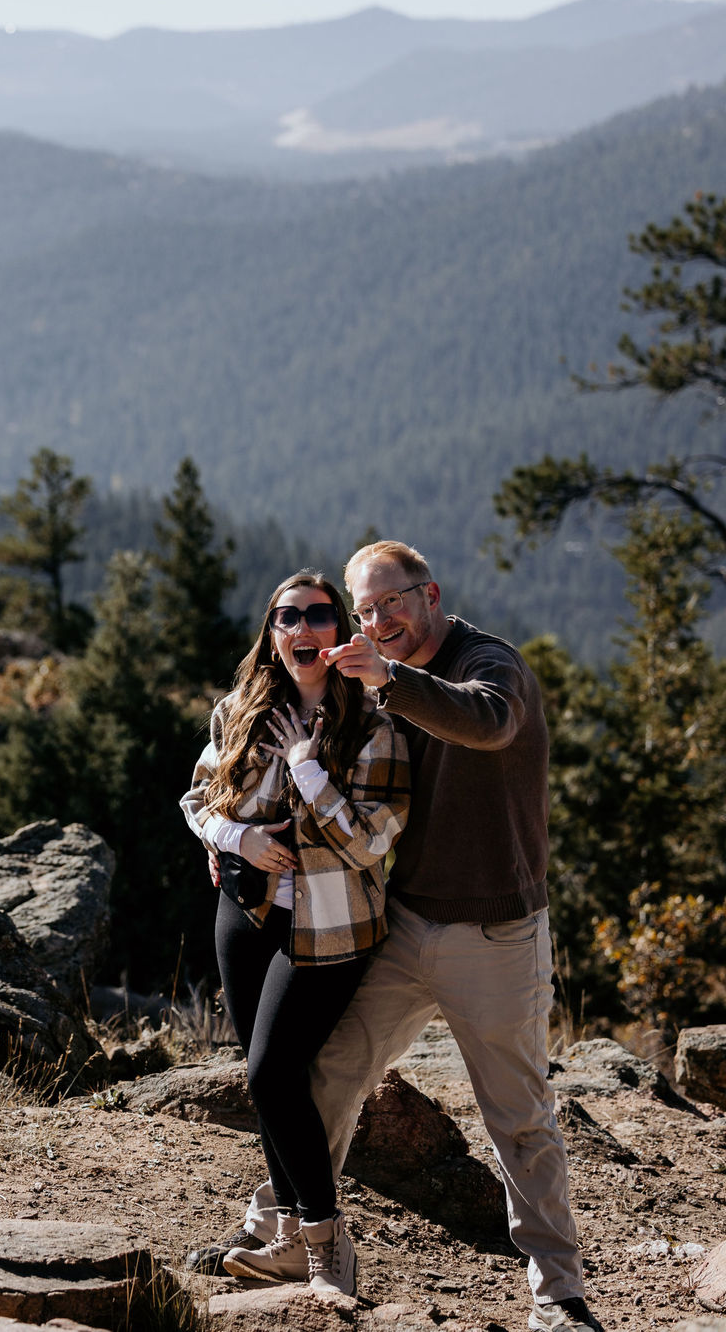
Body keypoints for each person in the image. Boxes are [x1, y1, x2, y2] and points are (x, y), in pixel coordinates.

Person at [227, 541, 600, 1330]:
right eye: (363, 610)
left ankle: (558, 1293)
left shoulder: (488, 666)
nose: (377, 621)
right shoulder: (362, 685)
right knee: (326, 1073)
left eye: (390, 602)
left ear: (429, 595)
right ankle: (290, 1230)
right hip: (404, 921)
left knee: (518, 1116)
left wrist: (390, 681)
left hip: (497, 932)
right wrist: (230, 838)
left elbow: (489, 724)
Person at [179, 572, 410, 1298]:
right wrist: (233, 838)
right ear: (272, 633)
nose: (302, 627)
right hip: (245, 915)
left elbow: (371, 843)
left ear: (342, 633)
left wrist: (308, 770)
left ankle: (324, 1244)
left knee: (273, 1075)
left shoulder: (374, 724)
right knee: (268, 1082)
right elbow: (196, 797)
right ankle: (284, 1237)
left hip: (331, 926)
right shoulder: (240, 708)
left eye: (318, 615)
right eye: (288, 617)